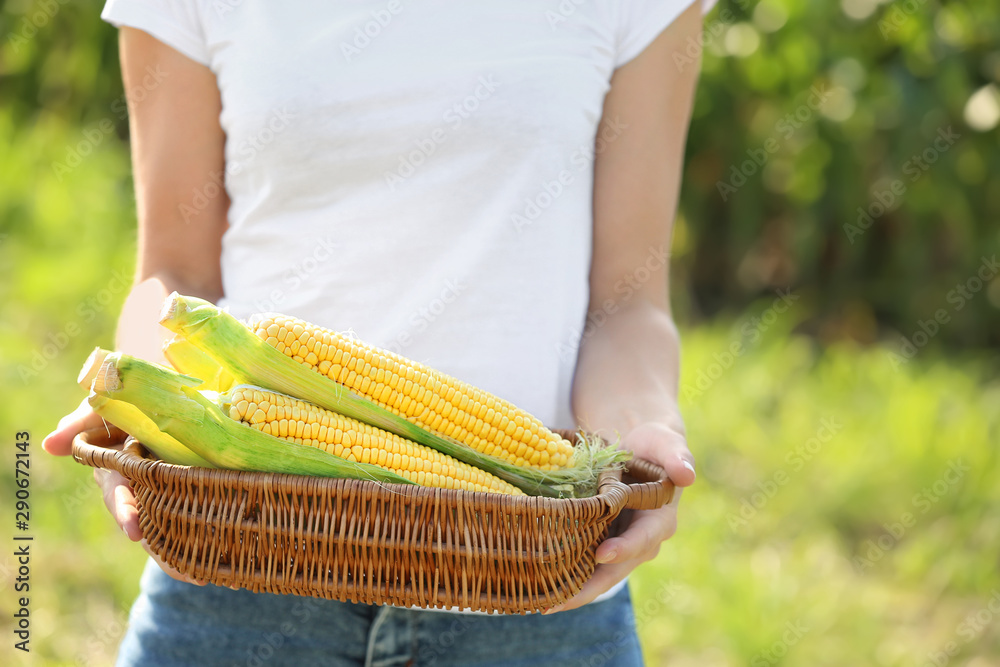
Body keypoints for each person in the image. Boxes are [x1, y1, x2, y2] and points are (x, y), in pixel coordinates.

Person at [43, 1, 705, 664]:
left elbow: (624, 304)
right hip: (239, 560)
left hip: (536, 581)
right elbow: (171, 273)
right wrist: (145, 403)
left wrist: (646, 428)